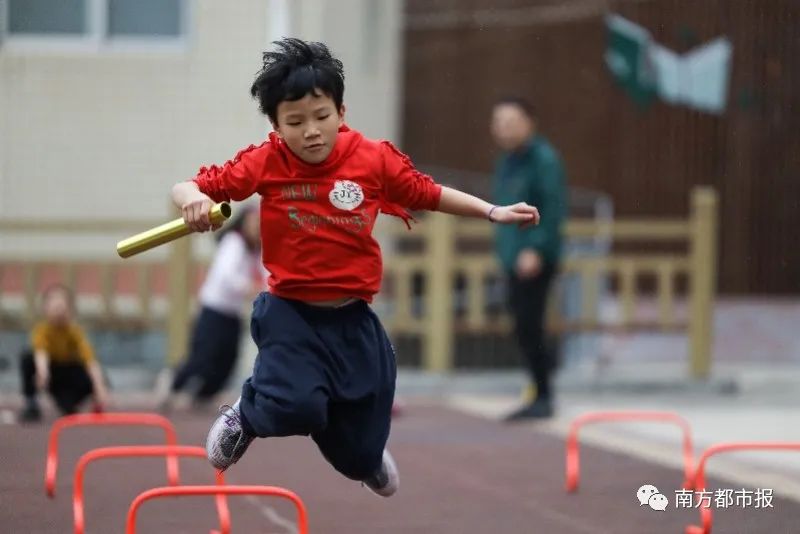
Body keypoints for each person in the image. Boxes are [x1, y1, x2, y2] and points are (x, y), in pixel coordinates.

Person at [170, 38, 540, 498]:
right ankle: (244, 415)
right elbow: (187, 185)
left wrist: (491, 211)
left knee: (361, 452)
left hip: (352, 318)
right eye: (295, 122)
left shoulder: (372, 158)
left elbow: (425, 192)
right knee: (296, 405)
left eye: (321, 117)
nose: (311, 132)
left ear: (341, 111)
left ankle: (364, 456)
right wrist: (195, 201)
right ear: (276, 125)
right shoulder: (265, 161)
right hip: (291, 314)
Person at [489, 97, 567, 421]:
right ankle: (538, 388)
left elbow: (552, 209)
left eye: (510, 122)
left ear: (528, 123)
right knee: (523, 327)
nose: (503, 129)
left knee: (530, 326)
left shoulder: (543, 160)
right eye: (498, 123)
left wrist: (535, 248)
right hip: (513, 258)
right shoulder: (508, 161)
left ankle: (544, 393)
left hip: (534, 257)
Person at [160, 205, 265, 411]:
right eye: (254, 223)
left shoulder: (257, 250)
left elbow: (265, 275)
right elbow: (226, 277)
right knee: (203, 356)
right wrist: (249, 287)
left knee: (229, 358)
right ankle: (172, 385)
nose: (256, 229)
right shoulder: (233, 242)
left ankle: (205, 394)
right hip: (214, 308)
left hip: (233, 312)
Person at [18, 284, 110, 422]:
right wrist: (43, 372)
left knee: (99, 378)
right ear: (45, 309)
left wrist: (99, 386)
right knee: (27, 358)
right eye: (54, 307)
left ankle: (73, 403)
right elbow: (40, 352)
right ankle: (31, 404)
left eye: (62, 307)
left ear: (70, 310)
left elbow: (90, 361)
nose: (59, 312)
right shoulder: (42, 330)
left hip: (69, 373)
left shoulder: (75, 332)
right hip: (52, 372)